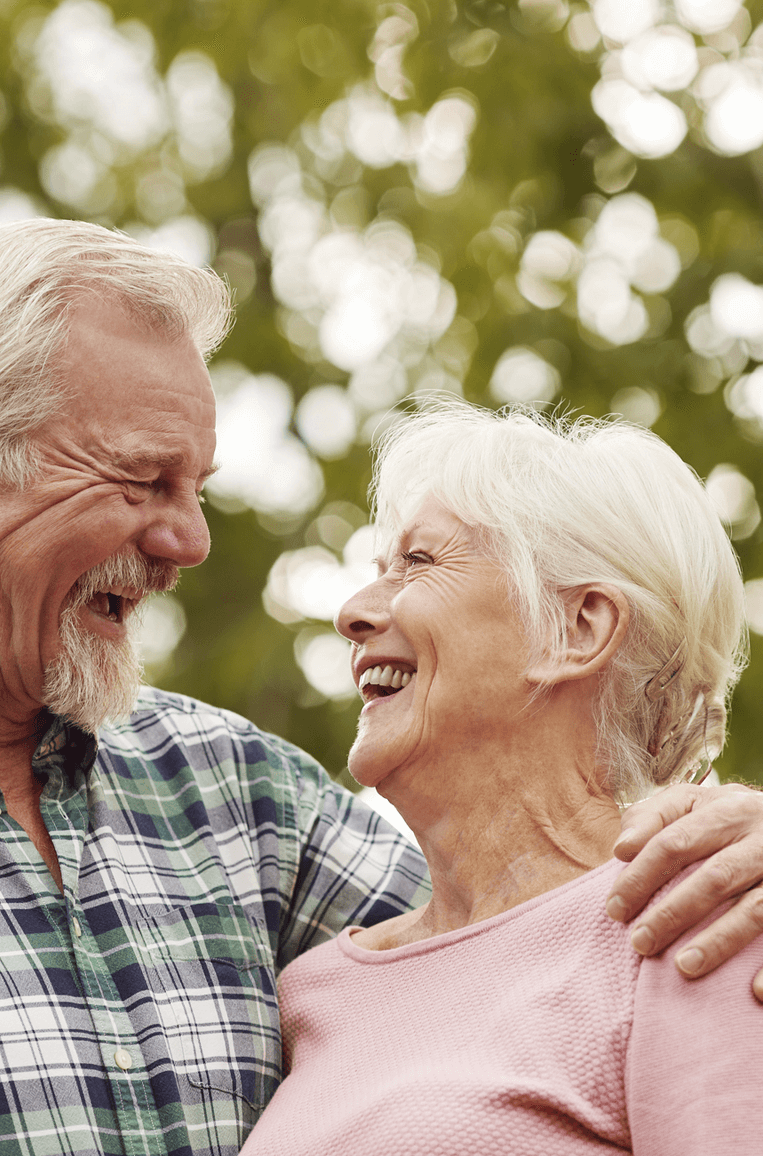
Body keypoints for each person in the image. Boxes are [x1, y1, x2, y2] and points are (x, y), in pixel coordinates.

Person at [0, 220, 760, 1156]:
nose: (187, 541)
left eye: (196, 488)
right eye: (141, 481)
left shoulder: (234, 794)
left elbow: (532, 927)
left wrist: (740, 847)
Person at [241, 400, 763, 1156]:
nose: (353, 613)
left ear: (576, 629)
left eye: (418, 563)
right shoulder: (315, 992)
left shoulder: (698, 915)